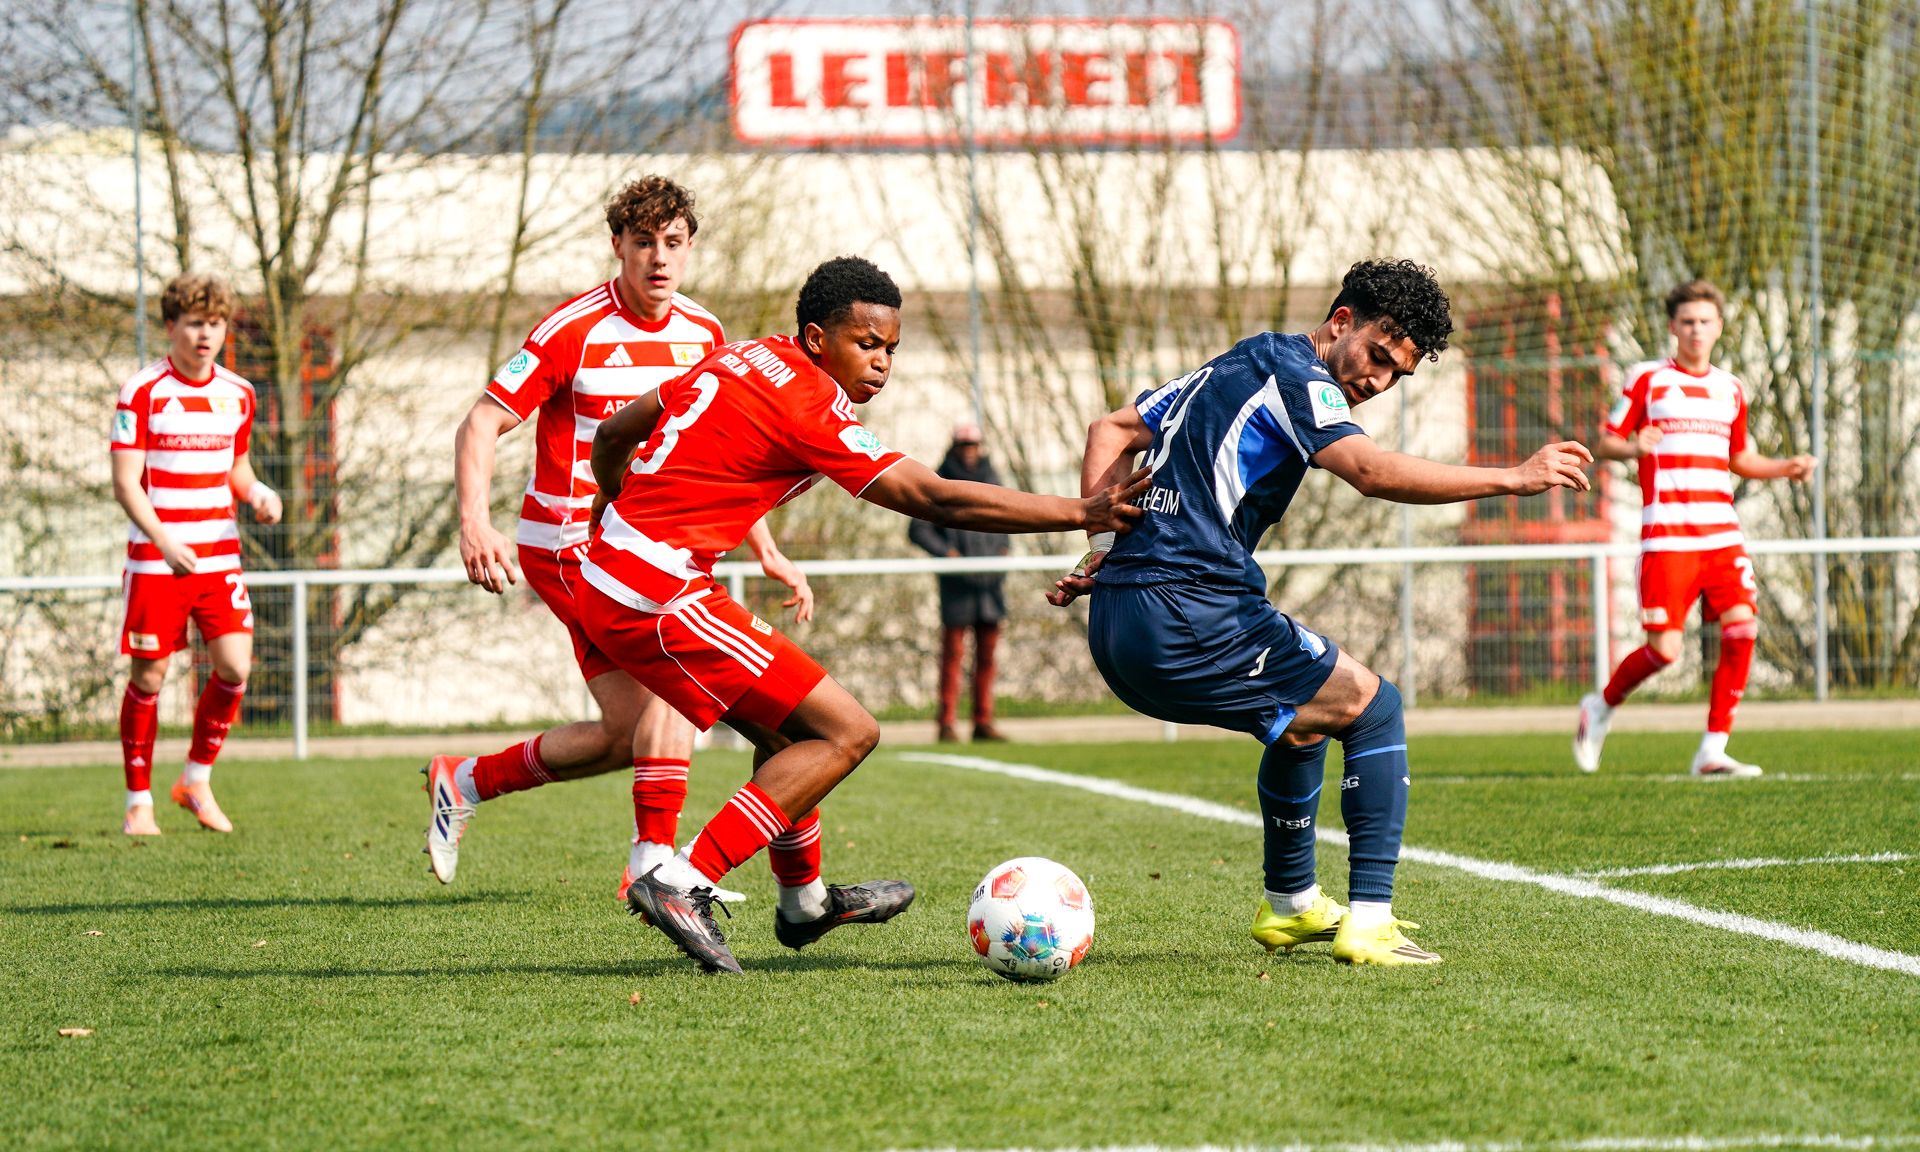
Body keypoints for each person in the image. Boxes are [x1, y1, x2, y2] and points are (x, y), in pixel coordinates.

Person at [582, 256, 1149, 973]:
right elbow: (935, 497)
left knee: (791, 734)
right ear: (818, 338)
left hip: (611, 578)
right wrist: (1081, 511)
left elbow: (612, 436)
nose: (882, 363)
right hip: (657, 590)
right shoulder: (810, 404)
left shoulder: (742, 355)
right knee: (849, 731)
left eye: (891, 349)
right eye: (867, 344)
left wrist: (613, 504)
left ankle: (804, 904)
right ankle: (683, 880)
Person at [1050, 259, 1593, 966]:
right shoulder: (1299, 378)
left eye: (1397, 374)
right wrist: (1511, 476)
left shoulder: (1236, 362)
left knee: (1305, 723)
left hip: (1122, 622)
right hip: (1192, 611)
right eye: (1375, 355)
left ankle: (1293, 906)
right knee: (1375, 706)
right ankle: (1369, 921)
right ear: (1340, 323)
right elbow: (1368, 472)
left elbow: (1108, 429)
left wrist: (1101, 546)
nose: (1376, 382)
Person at [426, 176, 812, 895]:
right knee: (671, 681)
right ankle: (656, 863)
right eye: (643, 244)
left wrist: (767, 549)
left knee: (625, 733)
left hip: (644, 549)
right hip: (569, 543)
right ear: (618, 248)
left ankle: (465, 782)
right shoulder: (570, 329)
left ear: (690, 249)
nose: (658, 260)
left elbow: (711, 453)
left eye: (673, 244)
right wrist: (474, 522)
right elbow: (481, 421)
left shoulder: (705, 335)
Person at [1574, 280, 1817, 778]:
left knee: (1743, 628)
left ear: (1719, 327)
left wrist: (1785, 467)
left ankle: (1713, 748)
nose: (1696, 330)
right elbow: (1606, 440)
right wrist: (1635, 445)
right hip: (1668, 536)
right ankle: (1599, 706)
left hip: (1722, 535)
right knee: (1665, 652)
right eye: (1687, 321)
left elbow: (1739, 458)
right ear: (1673, 327)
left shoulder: (1731, 388)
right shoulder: (1646, 379)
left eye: (1706, 321)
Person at [111, 274, 283, 835]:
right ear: (171, 327)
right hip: (156, 562)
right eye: (194, 323)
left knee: (234, 667)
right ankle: (139, 800)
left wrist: (258, 493)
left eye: (215, 323)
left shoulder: (239, 393)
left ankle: (195, 779)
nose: (205, 334)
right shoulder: (142, 391)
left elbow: (237, 468)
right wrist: (164, 542)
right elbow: (125, 483)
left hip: (218, 559)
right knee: (150, 677)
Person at [908, 422, 1011, 742]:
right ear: (955, 447)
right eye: (965, 446)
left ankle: (983, 721)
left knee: (988, 657)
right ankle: (947, 723)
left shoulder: (993, 477)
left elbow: (1010, 517)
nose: (970, 451)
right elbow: (917, 529)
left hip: (990, 585)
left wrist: (1004, 548)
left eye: (974, 445)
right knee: (952, 657)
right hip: (957, 586)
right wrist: (947, 553)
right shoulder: (939, 479)